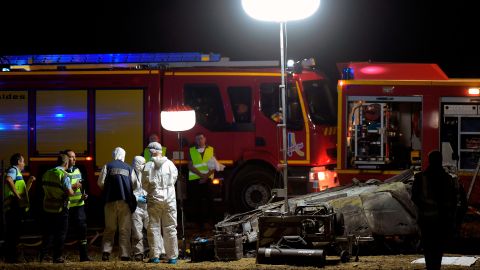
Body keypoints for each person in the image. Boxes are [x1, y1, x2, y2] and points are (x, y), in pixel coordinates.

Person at [411, 150, 458, 270]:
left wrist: (422, 210)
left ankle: (430, 267)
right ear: (441, 161)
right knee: (438, 249)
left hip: (427, 221)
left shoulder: (421, 177)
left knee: (428, 248)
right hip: (443, 221)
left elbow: (414, 197)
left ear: (429, 161)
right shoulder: (448, 179)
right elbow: (453, 200)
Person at [97, 147, 137, 262]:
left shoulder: (107, 166)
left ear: (113, 155)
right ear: (123, 156)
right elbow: (135, 185)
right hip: (125, 202)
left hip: (110, 201)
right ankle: (125, 254)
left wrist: (109, 189)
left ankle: (106, 252)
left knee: (110, 228)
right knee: (124, 229)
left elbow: (100, 183)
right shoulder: (129, 168)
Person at [142, 142, 178, 264]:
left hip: (155, 198)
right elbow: (174, 179)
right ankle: (172, 257)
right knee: (170, 227)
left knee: (154, 227)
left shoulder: (148, 166)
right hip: (170, 198)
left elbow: (144, 184)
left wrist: (153, 191)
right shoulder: (170, 164)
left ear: (151, 151)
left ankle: (155, 256)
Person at [38, 154, 75, 263]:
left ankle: (43, 255)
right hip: (60, 208)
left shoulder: (47, 173)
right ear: (66, 163)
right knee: (61, 233)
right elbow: (69, 192)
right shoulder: (64, 175)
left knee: (48, 233)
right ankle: (57, 256)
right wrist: (74, 188)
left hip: (47, 207)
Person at [131, 155, 166, 261]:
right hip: (136, 206)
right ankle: (139, 253)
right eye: (141, 163)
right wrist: (137, 198)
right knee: (137, 231)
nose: (143, 165)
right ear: (136, 164)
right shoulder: (130, 174)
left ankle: (161, 251)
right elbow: (127, 190)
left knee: (154, 229)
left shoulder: (147, 172)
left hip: (148, 205)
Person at [3, 153, 36, 263]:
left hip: (16, 207)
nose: (24, 164)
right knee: (13, 234)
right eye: (23, 161)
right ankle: (12, 258)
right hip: (13, 208)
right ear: (18, 162)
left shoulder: (17, 173)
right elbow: (8, 179)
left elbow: (23, 192)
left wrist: (29, 182)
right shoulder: (13, 170)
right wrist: (17, 196)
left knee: (14, 233)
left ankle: (12, 257)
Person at [64, 149, 92, 261]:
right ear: (66, 159)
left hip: (79, 205)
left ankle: (84, 256)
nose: (75, 159)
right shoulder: (61, 172)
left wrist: (85, 195)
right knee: (63, 232)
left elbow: (82, 186)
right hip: (66, 206)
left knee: (82, 231)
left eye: (75, 156)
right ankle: (58, 256)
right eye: (71, 157)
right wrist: (74, 187)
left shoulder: (78, 170)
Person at [187, 133, 215, 228]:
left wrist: (205, 177)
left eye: (201, 138)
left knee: (209, 202)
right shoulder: (192, 150)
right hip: (195, 180)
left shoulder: (211, 150)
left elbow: (214, 166)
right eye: (197, 139)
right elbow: (190, 166)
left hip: (206, 180)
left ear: (205, 139)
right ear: (195, 140)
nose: (199, 140)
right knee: (196, 202)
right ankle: (199, 223)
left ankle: (209, 222)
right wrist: (202, 176)